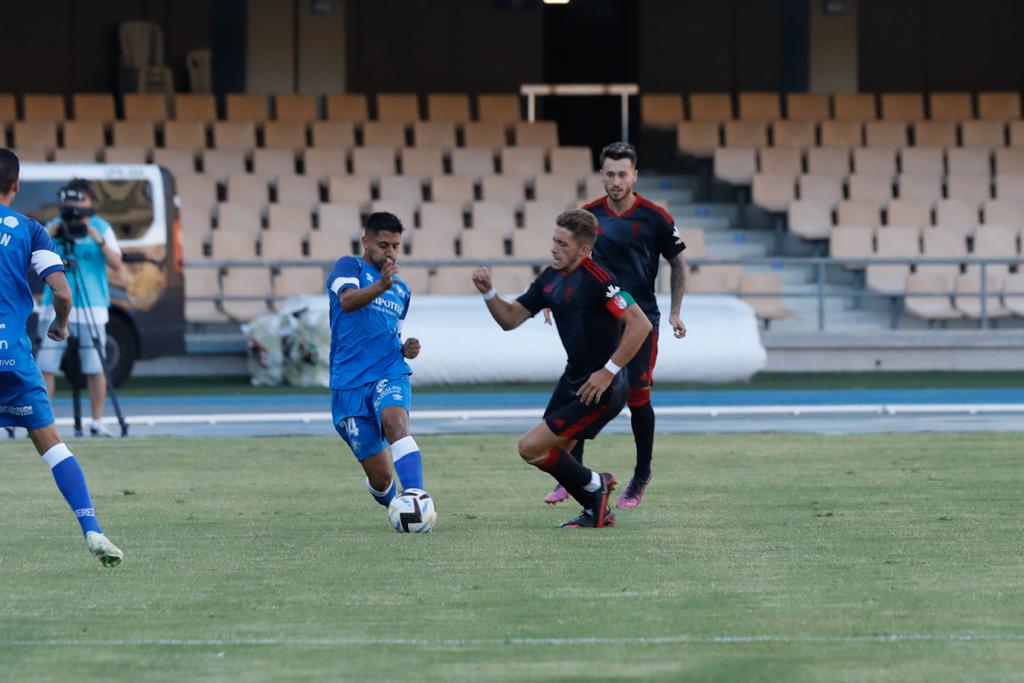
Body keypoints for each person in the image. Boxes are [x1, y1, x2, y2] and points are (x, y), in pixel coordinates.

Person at [472, 209, 652, 528]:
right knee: (553, 458)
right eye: (554, 241)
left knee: (530, 447)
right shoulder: (550, 278)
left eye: (563, 244)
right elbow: (510, 319)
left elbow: (640, 324)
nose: (554, 248)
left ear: (584, 250)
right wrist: (488, 292)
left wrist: (608, 370)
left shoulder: (601, 280)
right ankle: (597, 510)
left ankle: (597, 484)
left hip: (602, 388)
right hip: (573, 381)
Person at [541, 142, 687, 510]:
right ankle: (575, 472)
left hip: (640, 321)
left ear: (634, 175)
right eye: (609, 173)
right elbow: (568, 259)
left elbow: (679, 264)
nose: (616, 180)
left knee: (638, 397)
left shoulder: (654, 217)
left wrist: (675, 312)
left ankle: (640, 476)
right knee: (584, 391)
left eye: (623, 174)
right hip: (597, 322)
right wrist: (551, 297)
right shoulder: (588, 218)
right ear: (601, 175)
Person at [0, 149, 123, 566]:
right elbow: (63, 291)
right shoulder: (31, 230)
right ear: (15, 187)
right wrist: (61, 323)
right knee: (51, 445)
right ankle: (92, 530)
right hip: (13, 358)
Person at [326, 212, 425, 511]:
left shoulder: (402, 289)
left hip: (388, 370)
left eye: (396, 246)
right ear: (365, 241)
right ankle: (397, 504)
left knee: (396, 423)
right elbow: (347, 301)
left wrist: (406, 348)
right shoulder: (349, 267)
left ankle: (417, 499)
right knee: (381, 478)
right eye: (384, 245)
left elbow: (394, 334)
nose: (391, 253)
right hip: (349, 383)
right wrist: (380, 286)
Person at [36, 179, 123, 438]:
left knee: (96, 366)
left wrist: (99, 241)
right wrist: (48, 236)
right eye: (71, 199)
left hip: (92, 305)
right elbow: (28, 261)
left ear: (91, 202)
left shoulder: (101, 227)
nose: (75, 205)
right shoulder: (52, 226)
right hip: (55, 305)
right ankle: (43, 423)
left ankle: (96, 421)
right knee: (46, 365)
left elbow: (118, 264)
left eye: (81, 199)